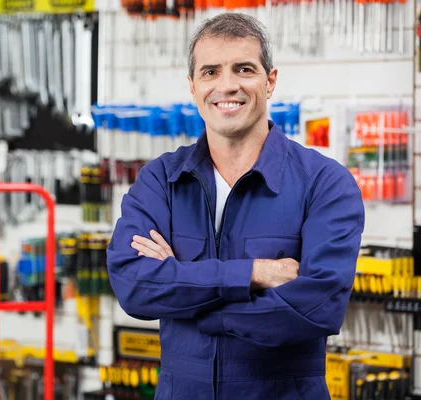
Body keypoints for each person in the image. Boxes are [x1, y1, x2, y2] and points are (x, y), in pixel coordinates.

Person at [106, 12, 365, 400]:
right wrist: (253, 274)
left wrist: (191, 301)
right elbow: (135, 286)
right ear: (192, 87)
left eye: (243, 69)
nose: (227, 86)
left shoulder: (324, 183)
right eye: (210, 72)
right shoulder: (161, 180)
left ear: (270, 81)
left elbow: (319, 307)